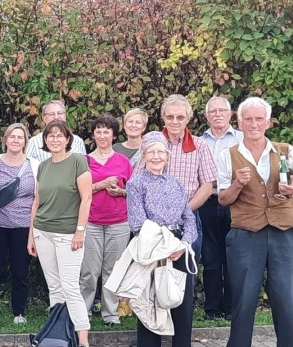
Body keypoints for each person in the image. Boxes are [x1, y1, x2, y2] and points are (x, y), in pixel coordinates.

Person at [217, 97, 293, 347]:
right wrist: (237, 183)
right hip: (246, 233)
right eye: (248, 119)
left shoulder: (286, 151)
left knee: (286, 300)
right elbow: (222, 199)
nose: (253, 124)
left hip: (283, 232)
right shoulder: (228, 154)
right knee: (243, 300)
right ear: (240, 123)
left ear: (268, 123)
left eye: (259, 119)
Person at [122, 133, 201, 347]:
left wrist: (183, 244)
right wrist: (165, 247)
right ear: (144, 156)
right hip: (154, 251)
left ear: (168, 156)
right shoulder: (136, 184)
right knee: (152, 308)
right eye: (151, 152)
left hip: (178, 250)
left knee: (183, 309)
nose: (156, 157)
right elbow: (137, 223)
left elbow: (189, 217)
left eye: (161, 152)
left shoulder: (176, 183)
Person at [27, 120, 93, 347]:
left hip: (68, 234)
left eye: (59, 135)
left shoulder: (77, 161)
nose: (55, 139)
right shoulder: (43, 166)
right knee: (54, 287)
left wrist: (80, 231)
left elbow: (86, 198)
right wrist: (31, 234)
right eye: (50, 136)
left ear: (68, 139)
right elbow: (36, 202)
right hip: (43, 232)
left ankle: (83, 342)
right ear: (45, 140)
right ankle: (60, 337)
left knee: (70, 287)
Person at [140, 94, 217, 258]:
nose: (175, 121)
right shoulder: (151, 142)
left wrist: (183, 211)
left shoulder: (200, 145)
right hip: (154, 222)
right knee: (154, 273)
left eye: (180, 117)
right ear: (163, 118)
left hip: (188, 216)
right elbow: (137, 180)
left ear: (188, 119)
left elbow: (207, 186)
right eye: (170, 117)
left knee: (186, 270)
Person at [0, 123, 38, 326]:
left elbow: (37, 198)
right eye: (12, 137)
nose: (15, 140)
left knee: (20, 271)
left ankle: (19, 312)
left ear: (25, 141)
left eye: (20, 137)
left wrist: (33, 231)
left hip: (23, 225)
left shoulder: (34, 165)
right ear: (4, 140)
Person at [79, 114, 132, 325]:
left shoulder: (123, 161)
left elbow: (134, 192)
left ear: (113, 134)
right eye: (98, 131)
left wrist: (120, 191)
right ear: (93, 135)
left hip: (118, 222)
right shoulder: (84, 161)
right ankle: (84, 313)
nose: (102, 135)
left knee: (113, 270)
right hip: (90, 221)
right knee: (89, 271)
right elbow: (78, 191)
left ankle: (110, 314)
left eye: (106, 131)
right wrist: (101, 185)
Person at [200, 96, 243, 321]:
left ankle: (231, 309)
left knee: (233, 258)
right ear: (206, 116)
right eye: (213, 111)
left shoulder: (242, 139)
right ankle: (212, 309)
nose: (217, 114)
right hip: (207, 202)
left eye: (222, 111)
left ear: (230, 114)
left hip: (235, 203)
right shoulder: (198, 142)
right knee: (210, 259)